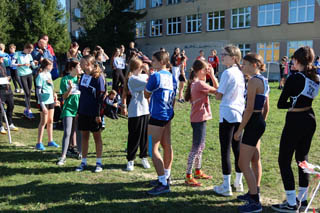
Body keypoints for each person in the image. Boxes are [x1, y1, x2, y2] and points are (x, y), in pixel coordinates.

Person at [272, 46, 320, 213]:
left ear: (297, 60)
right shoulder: (315, 78)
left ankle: (292, 203)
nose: (291, 61)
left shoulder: (294, 78)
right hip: (310, 118)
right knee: (302, 159)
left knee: (284, 160)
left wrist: (292, 103)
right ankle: (303, 199)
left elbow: (280, 104)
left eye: (293, 59)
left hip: (295, 120)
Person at [233, 53, 270, 213]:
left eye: (245, 64)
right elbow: (266, 107)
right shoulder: (263, 79)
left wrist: (240, 129)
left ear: (254, 64)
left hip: (253, 121)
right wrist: (261, 122)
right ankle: (254, 191)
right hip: (258, 121)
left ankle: (255, 201)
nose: (243, 66)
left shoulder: (254, 80)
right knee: (255, 159)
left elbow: (248, 109)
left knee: (243, 163)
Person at [213, 45, 245, 196]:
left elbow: (219, 95)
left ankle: (226, 186)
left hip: (227, 113)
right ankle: (238, 182)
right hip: (239, 113)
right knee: (237, 149)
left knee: (225, 149)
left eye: (224, 54)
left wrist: (213, 90)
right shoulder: (240, 73)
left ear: (234, 58)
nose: (222, 56)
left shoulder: (227, 73)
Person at [144, 51, 177, 195]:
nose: (152, 63)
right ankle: (167, 175)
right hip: (168, 114)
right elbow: (174, 96)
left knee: (152, 148)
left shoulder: (155, 76)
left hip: (157, 116)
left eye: (154, 60)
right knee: (167, 145)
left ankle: (163, 182)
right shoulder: (171, 76)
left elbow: (146, 94)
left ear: (161, 62)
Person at [184, 60, 218, 187]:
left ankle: (197, 171)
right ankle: (188, 176)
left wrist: (210, 74)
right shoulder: (199, 84)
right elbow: (218, 90)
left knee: (201, 146)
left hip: (199, 119)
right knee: (196, 148)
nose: (207, 72)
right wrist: (213, 76)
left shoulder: (197, 83)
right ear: (199, 71)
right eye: (206, 70)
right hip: (198, 120)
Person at [76, 55, 105, 173]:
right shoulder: (83, 76)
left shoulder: (98, 78)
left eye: (81, 63)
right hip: (83, 111)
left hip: (94, 113)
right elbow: (82, 95)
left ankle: (99, 162)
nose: (80, 65)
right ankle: (84, 161)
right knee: (84, 137)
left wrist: (99, 114)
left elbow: (101, 96)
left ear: (88, 64)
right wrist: (78, 111)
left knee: (97, 137)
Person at [125, 58, 150, 171]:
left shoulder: (142, 76)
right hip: (135, 111)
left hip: (145, 110)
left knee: (144, 135)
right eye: (141, 67)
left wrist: (147, 72)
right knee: (134, 136)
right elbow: (149, 84)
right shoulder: (132, 79)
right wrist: (147, 71)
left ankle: (144, 157)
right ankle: (130, 160)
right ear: (136, 67)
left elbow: (153, 81)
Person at [57, 60, 82, 165]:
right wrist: (70, 89)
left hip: (79, 108)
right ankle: (63, 156)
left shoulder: (81, 79)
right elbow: (63, 97)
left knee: (79, 131)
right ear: (72, 68)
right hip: (68, 108)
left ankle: (80, 153)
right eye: (78, 67)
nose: (80, 69)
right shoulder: (65, 79)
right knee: (67, 132)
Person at [35, 59, 59, 151]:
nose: (52, 67)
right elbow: (38, 91)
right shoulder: (40, 76)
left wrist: (54, 93)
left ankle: (50, 141)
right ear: (47, 66)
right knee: (43, 122)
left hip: (50, 100)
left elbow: (50, 86)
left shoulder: (49, 74)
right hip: (44, 102)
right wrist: (42, 105)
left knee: (50, 121)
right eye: (51, 65)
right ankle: (39, 143)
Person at [13, 43, 38, 119]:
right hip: (21, 75)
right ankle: (29, 110)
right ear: (26, 48)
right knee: (26, 92)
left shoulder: (29, 55)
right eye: (29, 51)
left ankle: (26, 109)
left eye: (31, 51)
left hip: (29, 74)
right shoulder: (17, 54)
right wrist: (22, 65)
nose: (30, 52)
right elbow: (12, 64)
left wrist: (35, 64)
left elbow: (33, 66)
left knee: (29, 93)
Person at [0, 52, 19, 134]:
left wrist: (8, 78)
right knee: (0, 109)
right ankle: (0, 126)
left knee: (11, 105)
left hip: (8, 89)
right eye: (1, 57)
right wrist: (4, 80)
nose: (3, 59)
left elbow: (6, 75)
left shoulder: (3, 64)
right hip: (1, 91)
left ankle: (10, 123)